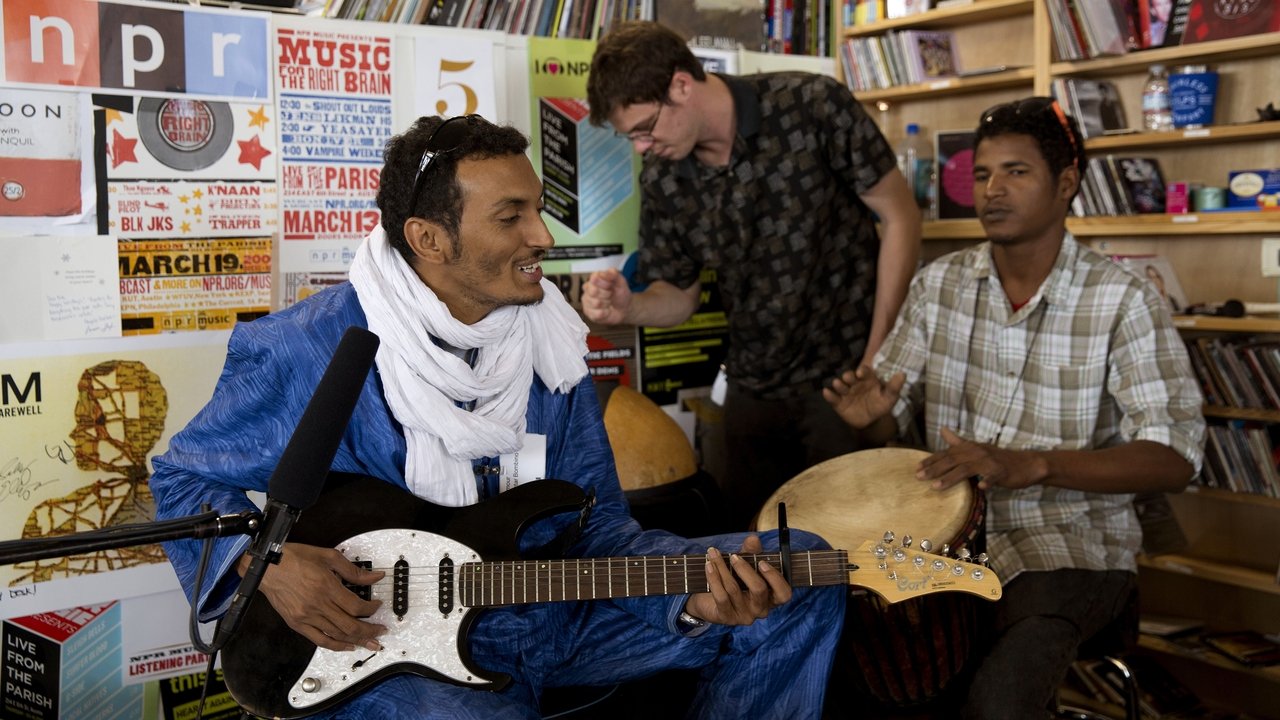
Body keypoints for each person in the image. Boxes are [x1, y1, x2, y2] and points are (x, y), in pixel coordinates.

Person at [150, 114, 843, 720]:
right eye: (511, 216)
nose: (542, 235)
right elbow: (181, 481)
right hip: (381, 646)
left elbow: (595, 527)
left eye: (538, 209)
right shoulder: (306, 347)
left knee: (801, 572)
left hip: (552, 613)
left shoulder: (553, 341)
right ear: (429, 238)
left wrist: (694, 601)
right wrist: (261, 565)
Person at [822, 97, 1205, 718]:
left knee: (998, 702)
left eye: (1016, 172)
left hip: (1073, 547)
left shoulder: (1124, 301)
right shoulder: (938, 285)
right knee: (861, 676)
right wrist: (877, 423)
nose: (992, 190)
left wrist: (1033, 464)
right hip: (944, 544)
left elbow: (1175, 458)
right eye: (981, 174)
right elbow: (893, 426)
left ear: (1066, 184)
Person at [583, 21, 922, 529]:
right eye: (628, 135)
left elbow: (901, 217)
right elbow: (677, 295)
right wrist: (629, 307)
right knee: (745, 555)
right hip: (751, 386)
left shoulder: (811, 104)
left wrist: (877, 356)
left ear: (680, 85)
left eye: (645, 128)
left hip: (845, 378)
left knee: (854, 554)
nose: (640, 147)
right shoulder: (664, 176)